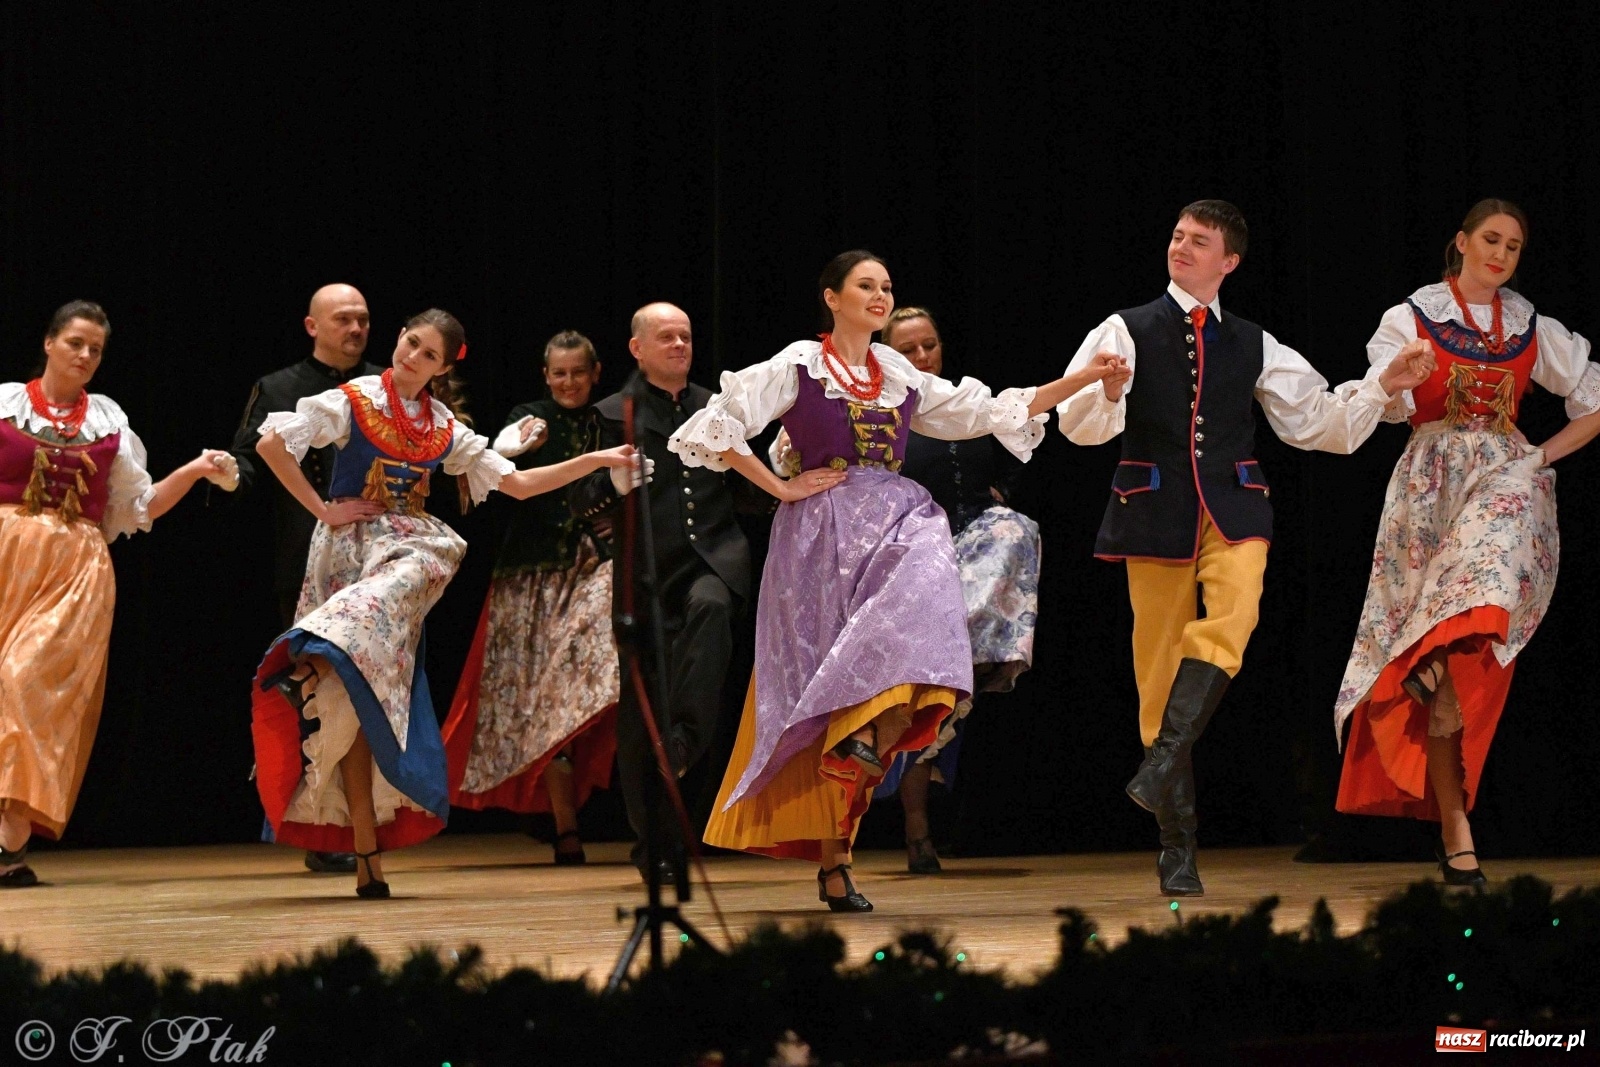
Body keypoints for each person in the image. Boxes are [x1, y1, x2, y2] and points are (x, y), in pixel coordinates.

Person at [674, 250, 1125, 912]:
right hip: (820, 536)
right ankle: (836, 864)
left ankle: (871, 743)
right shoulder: (801, 364)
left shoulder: (900, 374)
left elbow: (995, 409)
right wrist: (779, 485)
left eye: (887, 285)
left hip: (896, 521)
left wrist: (1082, 376)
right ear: (832, 296)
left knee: (922, 636)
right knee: (825, 691)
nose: (881, 294)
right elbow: (716, 425)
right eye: (866, 285)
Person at [1056, 200, 1435, 896]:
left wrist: (1383, 386)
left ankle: (1164, 757)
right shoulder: (1126, 328)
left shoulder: (1256, 342)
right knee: (1157, 670)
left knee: (1236, 613)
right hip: (1153, 507)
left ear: (1228, 261)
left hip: (1233, 503)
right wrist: (1107, 393)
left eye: (1198, 241)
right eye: (1177, 236)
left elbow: (1317, 419)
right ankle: (1177, 843)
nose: (1181, 247)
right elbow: (1078, 426)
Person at [251, 309, 639, 898]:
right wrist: (322, 508)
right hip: (346, 556)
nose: (411, 357)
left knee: (420, 573)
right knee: (350, 703)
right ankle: (364, 856)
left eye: (428, 354)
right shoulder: (355, 399)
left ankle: (313, 651)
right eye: (410, 343)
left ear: (443, 366)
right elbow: (271, 442)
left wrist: (597, 461)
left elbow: (517, 483)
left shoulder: (441, 426)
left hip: (404, 551)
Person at [1334, 199, 1600, 885]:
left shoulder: (1529, 324)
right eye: (1491, 239)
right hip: (1429, 484)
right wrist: (1402, 378)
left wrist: (1539, 457)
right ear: (1460, 242)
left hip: (1503, 476)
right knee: (1445, 649)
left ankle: (1428, 671)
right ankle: (1457, 831)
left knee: (1482, 599)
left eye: (1513, 245)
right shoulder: (1412, 316)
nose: (1502, 254)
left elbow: (1593, 401)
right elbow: (1380, 400)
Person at [774, 306, 1040, 875]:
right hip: (900, 557)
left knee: (1014, 529)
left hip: (963, 554)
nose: (922, 358)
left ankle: (974, 656)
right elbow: (794, 446)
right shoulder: (872, 404)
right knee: (900, 693)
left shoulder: (959, 401)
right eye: (910, 349)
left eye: (930, 345)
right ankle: (896, 835)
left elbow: (1012, 429)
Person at [1, 301, 235, 888]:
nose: (85, 356)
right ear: (50, 343)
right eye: (76, 343)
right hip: (5, 558)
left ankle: (10, 840)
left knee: (25, 684)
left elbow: (139, 507)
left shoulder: (108, 420)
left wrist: (194, 471)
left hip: (74, 571)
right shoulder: (4, 401)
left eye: (96, 349)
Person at [568, 302, 753, 882]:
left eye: (686, 336)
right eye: (666, 337)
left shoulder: (718, 408)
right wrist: (610, 483)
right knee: (643, 705)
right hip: (644, 573)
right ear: (638, 348)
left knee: (711, 606)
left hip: (711, 563)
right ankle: (656, 847)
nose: (679, 344)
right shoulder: (611, 412)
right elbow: (578, 500)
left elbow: (751, 481)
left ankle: (684, 743)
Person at [442, 330, 618, 864]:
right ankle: (566, 826)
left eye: (578, 373)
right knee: (537, 702)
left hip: (593, 569)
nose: (568, 383)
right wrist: (509, 448)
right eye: (558, 373)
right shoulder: (530, 417)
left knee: (585, 684)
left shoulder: (610, 418)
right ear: (546, 375)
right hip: (531, 573)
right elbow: (498, 468)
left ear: (595, 373)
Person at [229, 282, 383, 875]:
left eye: (363, 319)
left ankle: (369, 824)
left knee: (372, 695)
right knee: (320, 693)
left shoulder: (383, 387)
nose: (355, 328)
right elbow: (249, 460)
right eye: (343, 319)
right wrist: (227, 474)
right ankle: (322, 826)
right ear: (312, 325)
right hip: (309, 562)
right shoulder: (281, 388)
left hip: (376, 559)